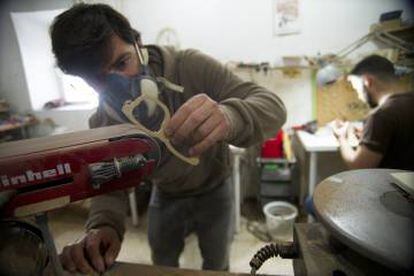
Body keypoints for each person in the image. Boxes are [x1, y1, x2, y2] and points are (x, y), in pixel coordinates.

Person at [50, 3, 286, 274]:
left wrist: (230, 117)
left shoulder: (191, 67)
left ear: (138, 43)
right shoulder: (104, 121)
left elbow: (273, 106)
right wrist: (103, 225)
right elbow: (110, 183)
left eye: (122, 62)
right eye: (97, 79)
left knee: (217, 264)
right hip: (165, 194)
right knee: (162, 265)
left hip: (215, 189)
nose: (118, 84)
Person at [333, 55, 414, 170]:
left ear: (367, 81)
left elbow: (359, 166)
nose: (360, 97)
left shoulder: (382, 115)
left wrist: (341, 137)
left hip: (390, 186)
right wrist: (370, 134)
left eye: (357, 90)